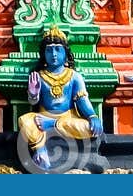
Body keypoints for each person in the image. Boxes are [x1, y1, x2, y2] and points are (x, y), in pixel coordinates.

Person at [17, 29, 103, 171]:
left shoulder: (74, 76)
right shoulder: (39, 76)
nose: (54, 55)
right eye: (49, 51)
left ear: (66, 53)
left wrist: (92, 116)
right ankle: (40, 150)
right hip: (42, 117)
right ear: (44, 54)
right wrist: (33, 94)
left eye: (58, 50)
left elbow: (82, 100)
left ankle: (53, 124)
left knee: (90, 128)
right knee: (24, 121)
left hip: (68, 118)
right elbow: (33, 102)